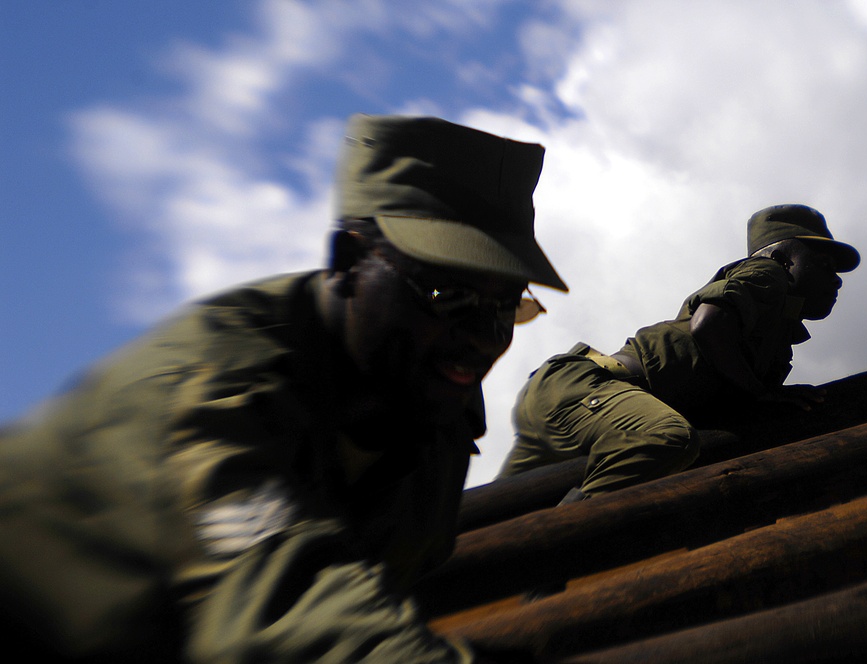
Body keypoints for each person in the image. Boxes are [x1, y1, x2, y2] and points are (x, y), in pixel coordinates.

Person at [0, 114, 566, 662]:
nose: (481, 338)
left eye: (503, 305)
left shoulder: (434, 403)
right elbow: (282, 614)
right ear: (347, 262)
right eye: (447, 296)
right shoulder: (212, 387)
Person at [498, 203, 859, 500]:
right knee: (668, 440)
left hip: (569, 403)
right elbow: (708, 325)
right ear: (783, 257)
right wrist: (762, 394)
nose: (837, 279)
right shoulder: (767, 273)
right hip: (585, 387)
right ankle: (558, 548)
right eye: (824, 264)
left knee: (486, 517)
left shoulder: (773, 344)